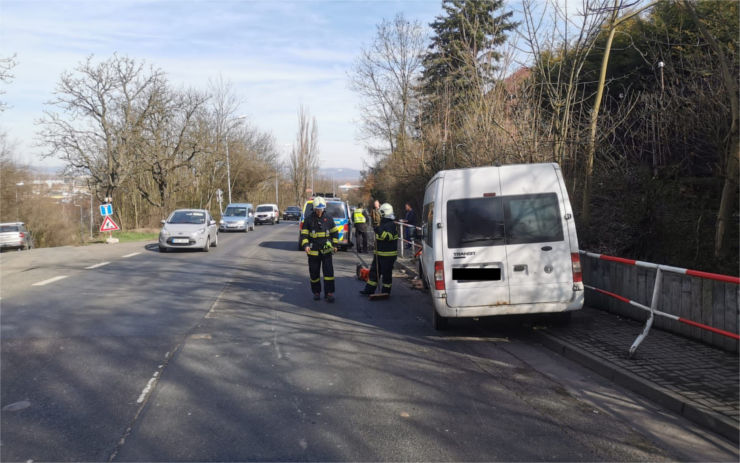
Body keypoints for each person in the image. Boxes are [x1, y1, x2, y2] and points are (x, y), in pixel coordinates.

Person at [300, 196, 340, 302]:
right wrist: (306, 245)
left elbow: (335, 233)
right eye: (318, 209)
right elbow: (304, 235)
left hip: (326, 251)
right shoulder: (308, 220)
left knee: (328, 273)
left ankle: (329, 293)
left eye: (321, 209)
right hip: (313, 252)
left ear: (324, 209)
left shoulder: (329, 219)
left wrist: (335, 245)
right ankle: (316, 292)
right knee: (314, 273)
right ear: (314, 209)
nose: (319, 211)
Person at [360, 203, 399, 297]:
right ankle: (369, 290)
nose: (379, 214)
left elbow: (388, 237)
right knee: (373, 273)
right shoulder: (383, 223)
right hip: (379, 254)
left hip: (388, 255)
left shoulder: (391, 225)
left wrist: (378, 230)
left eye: (380, 213)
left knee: (386, 275)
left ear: (384, 213)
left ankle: (385, 292)